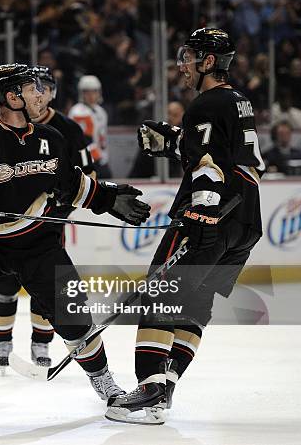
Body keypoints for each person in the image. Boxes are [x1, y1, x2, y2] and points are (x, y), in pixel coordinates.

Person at [0, 63, 151, 425]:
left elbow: (72, 184)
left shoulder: (52, 138)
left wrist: (108, 200)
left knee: (76, 321)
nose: (40, 95)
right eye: (32, 90)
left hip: (37, 244)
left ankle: (105, 383)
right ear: (12, 97)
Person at [106, 28, 265, 425]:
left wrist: (203, 212)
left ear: (208, 61)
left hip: (214, 210)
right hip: (246, 218)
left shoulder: (204, 105)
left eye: (190, 56)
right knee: (196, 304)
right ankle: (167, 382)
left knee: (160, 296)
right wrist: (180, 141)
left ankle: (148, 391)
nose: (183, 64)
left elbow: (208, 166)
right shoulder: (239, 100)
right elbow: (230, 156)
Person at [0, 65, 98, 372]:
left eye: (44, 87)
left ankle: (41, 344)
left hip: (48, 223)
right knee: (4, 283)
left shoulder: (68, 130)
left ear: (53, 93)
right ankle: (2, 342)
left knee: (45, 286)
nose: (39, 93)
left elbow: (86, 176)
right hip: (6, 224)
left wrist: (61, 210)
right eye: (32, 87)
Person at [68, 75, 112, 178]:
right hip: (85, 160)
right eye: (87, 92)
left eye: (94, 91)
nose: (91, 95)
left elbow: (102, 138)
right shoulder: (78, 112)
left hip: (99, 158)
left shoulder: (101, 111)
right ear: (82, 93)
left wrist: (103, 157)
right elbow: (85, 141)